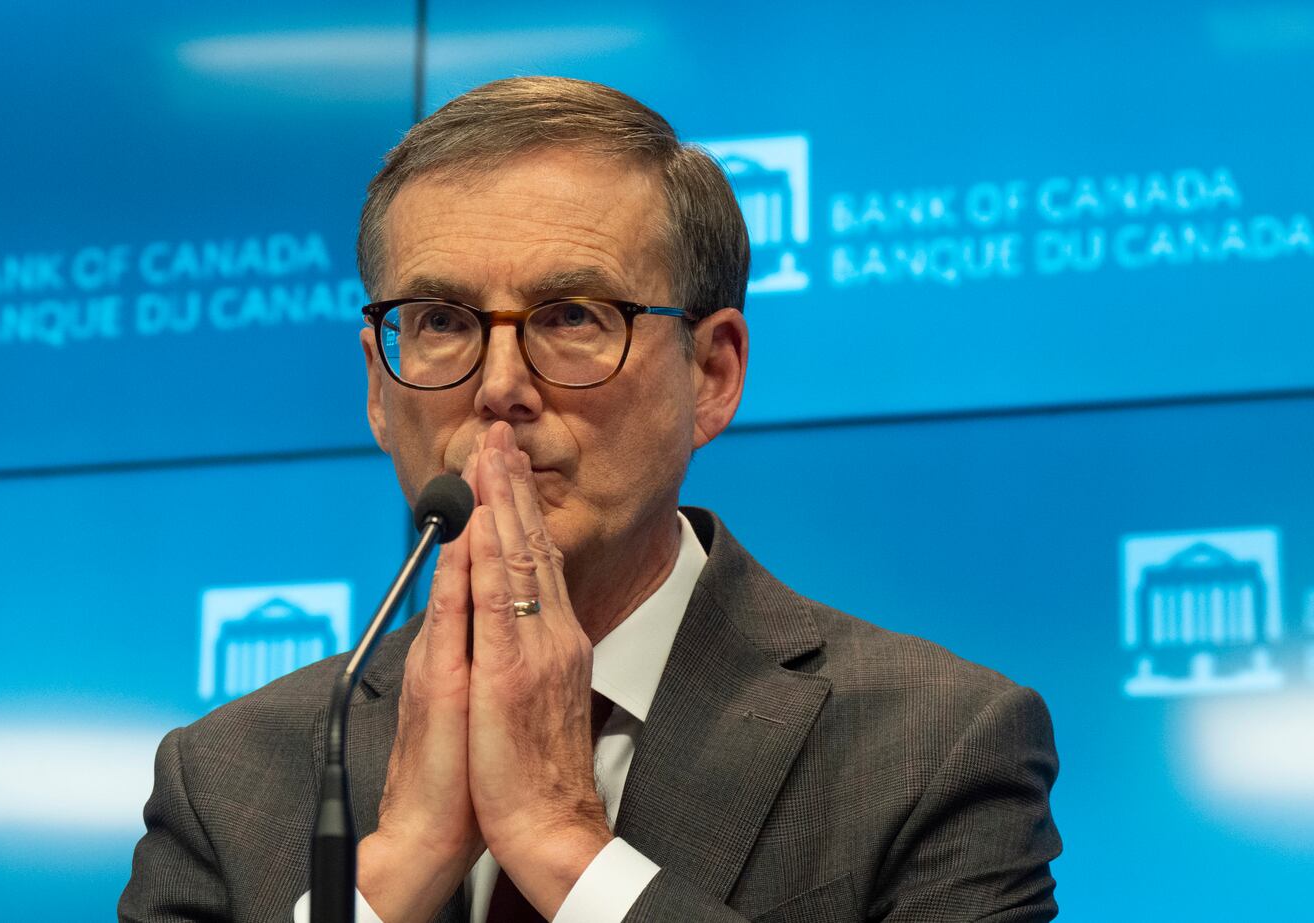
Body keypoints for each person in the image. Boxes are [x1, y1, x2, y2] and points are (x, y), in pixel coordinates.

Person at [120, 76, 1061, 923]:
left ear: (713, 371)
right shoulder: (235, 776)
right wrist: (388, 882)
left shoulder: (933, 746)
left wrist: (566, 845)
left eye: (572, 317)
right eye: (443, 321)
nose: (499, 384)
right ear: (378, 388)